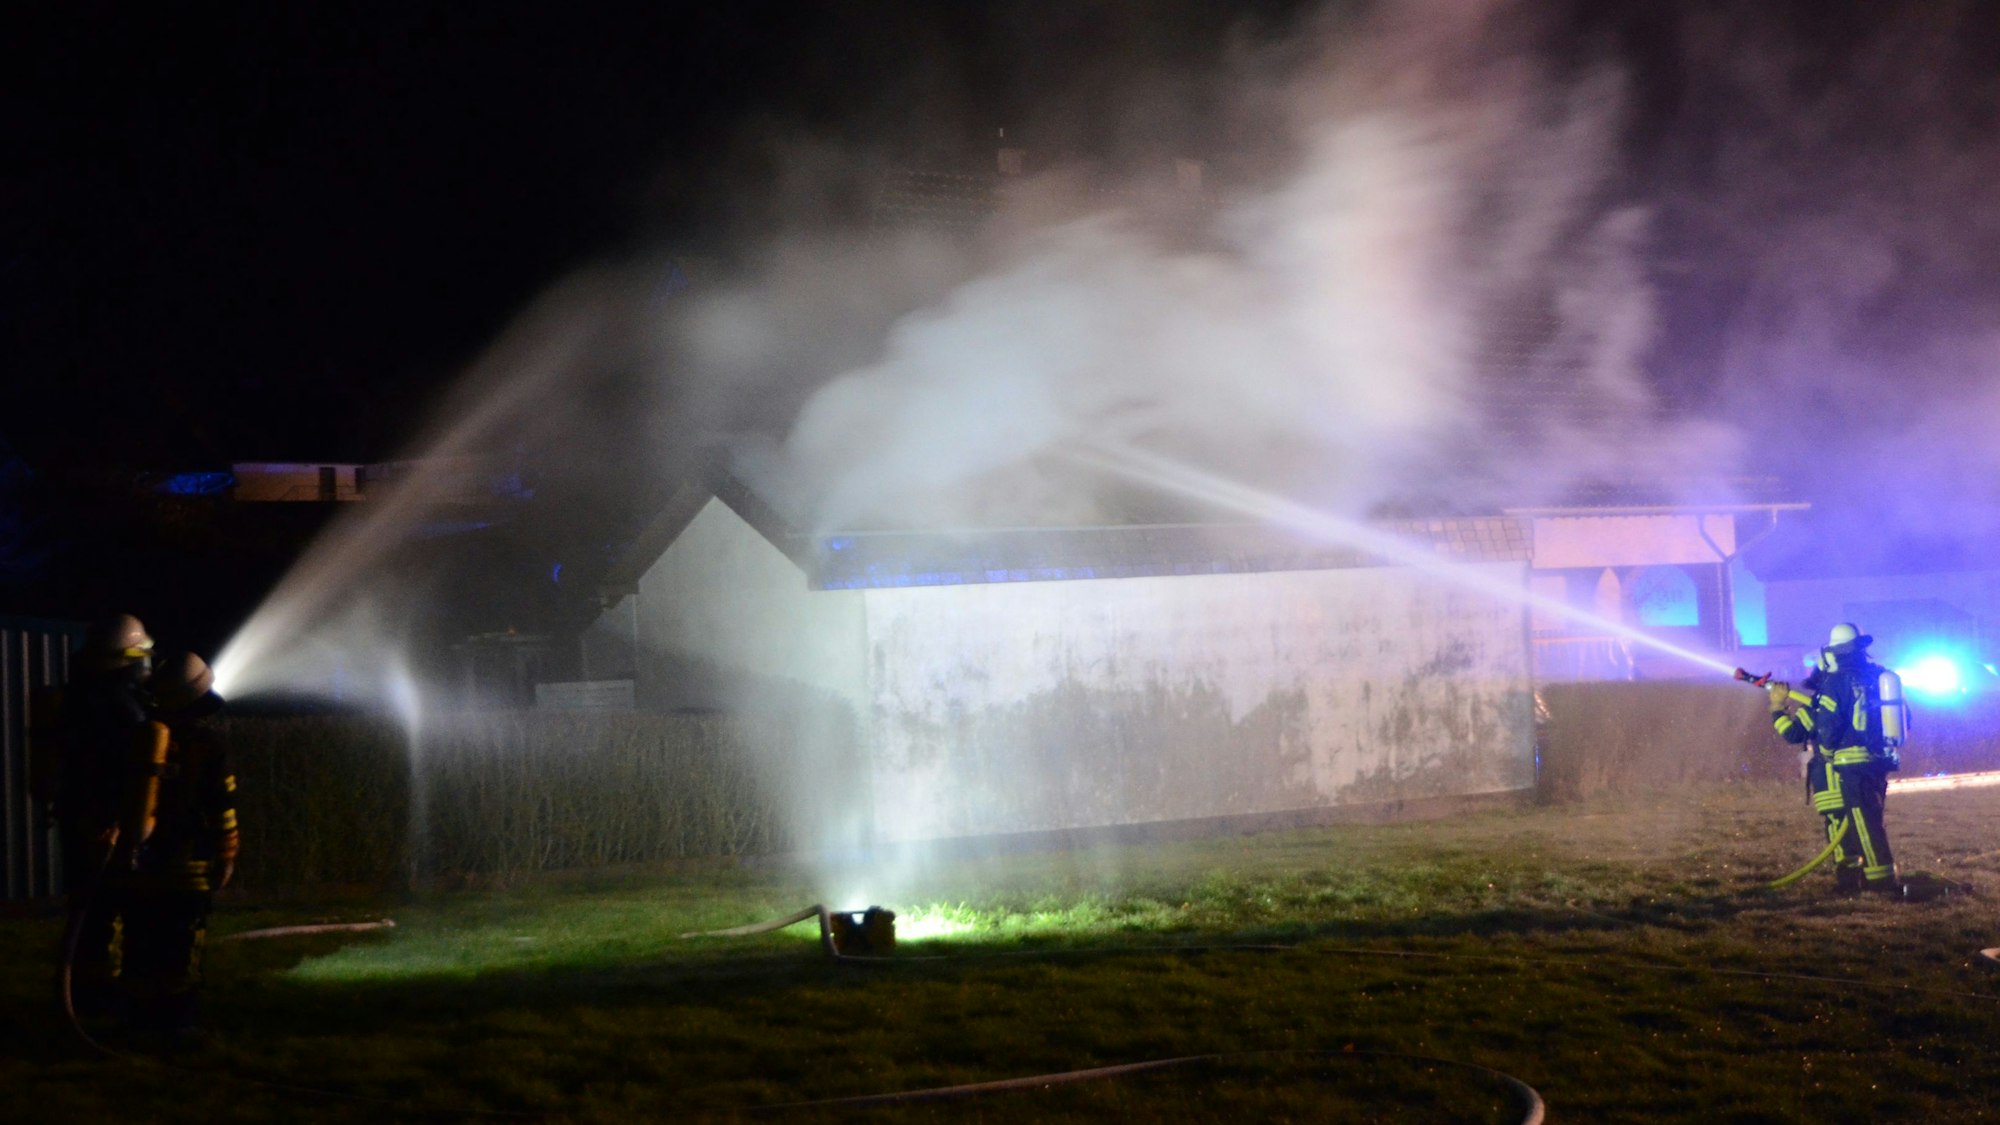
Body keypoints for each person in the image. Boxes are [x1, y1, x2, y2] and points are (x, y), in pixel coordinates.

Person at [34, 613, 156, 1018]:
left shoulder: (76, 697)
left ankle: (87, 991)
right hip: (111, 823)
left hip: (77, 819)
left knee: (88, 909)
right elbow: (126, 767)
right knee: (114, 911)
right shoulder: (123, 706)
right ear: (129, 658)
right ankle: (106, 998)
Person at [118, 651, 239, 1036]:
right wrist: (228, 851)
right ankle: (177, 1023)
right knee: (182, 943)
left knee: (142, 938)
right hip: (190, 864)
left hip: (145, 862)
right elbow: (222, 804)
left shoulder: (142, 738)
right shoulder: (209, 745)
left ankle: (137, 1018)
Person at [1768, 623, 1901, 895]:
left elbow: (1816, 731)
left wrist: (1776, 709)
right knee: (1863, 820)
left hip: (1845, 768)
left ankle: (1880, 884)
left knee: (1857, 823)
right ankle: (1857, 881)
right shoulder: (1880, 677)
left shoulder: (1835, 684)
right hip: (1879, 761)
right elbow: (1903, 718)